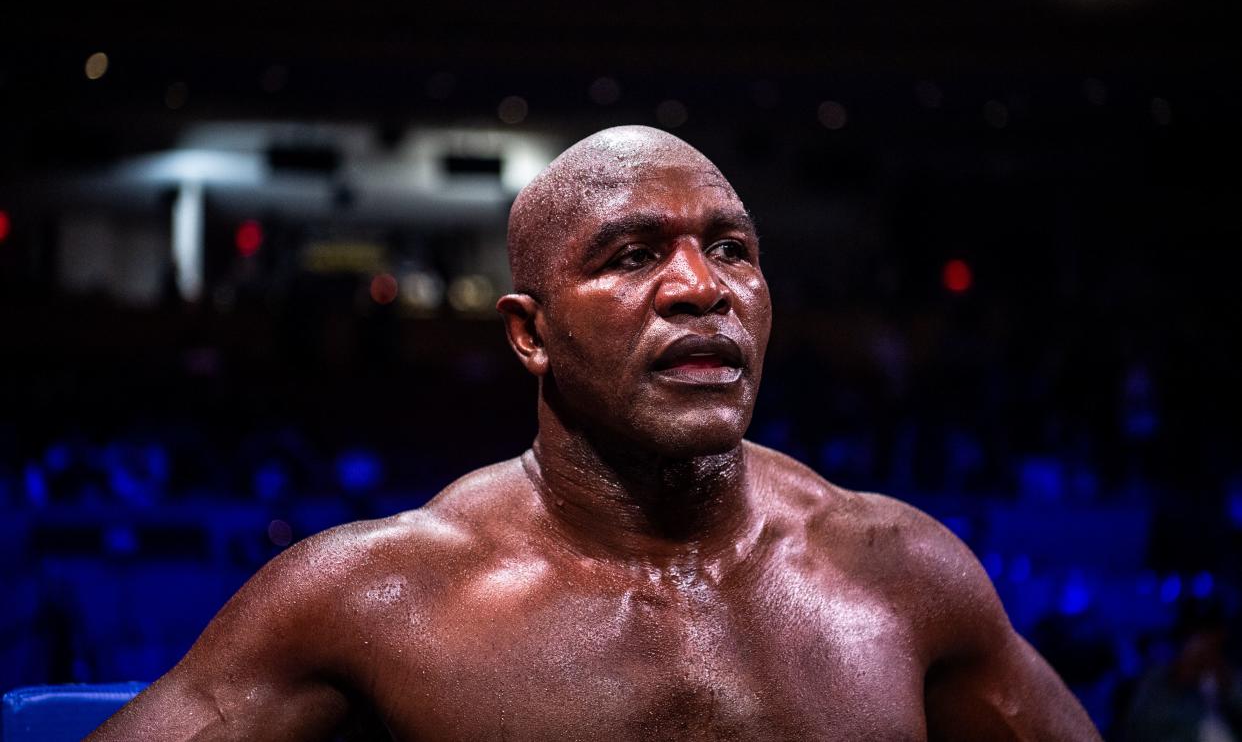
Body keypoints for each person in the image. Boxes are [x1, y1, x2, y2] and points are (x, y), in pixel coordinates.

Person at [88, 126, 1101, 740]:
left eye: (732, 249)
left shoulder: (903, 577)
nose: (702, 287)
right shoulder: (372, 601)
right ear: (531, 333)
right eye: (632, 254)